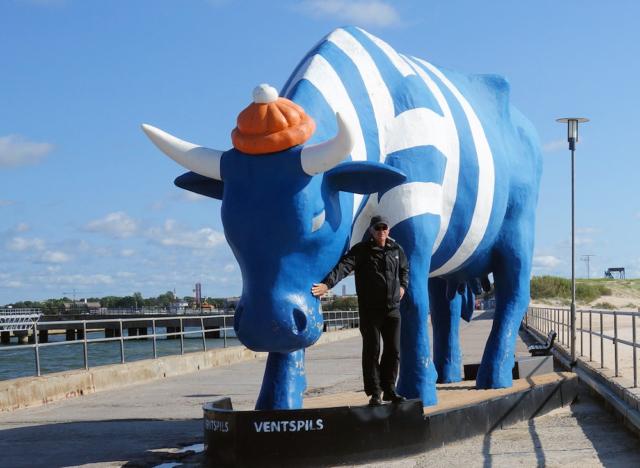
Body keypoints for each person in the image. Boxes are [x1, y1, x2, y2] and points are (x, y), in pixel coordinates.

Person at [311, 215, 409, 406]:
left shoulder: (396, 249)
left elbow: (404, 269)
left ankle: (390, 390)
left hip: (392, 309)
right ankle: (375, 393)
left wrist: (403, 286)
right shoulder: (361, 250)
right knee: (372, 350)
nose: (381, 231)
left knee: (393, 350)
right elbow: (343, 268)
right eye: (377, 228)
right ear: (371, 231)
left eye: (384, 228)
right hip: (371, 311)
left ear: (388, 230)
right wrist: (327, 285)